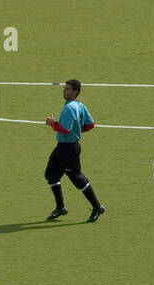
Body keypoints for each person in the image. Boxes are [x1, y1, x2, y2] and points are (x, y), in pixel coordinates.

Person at [43, 80, 105, 222]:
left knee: (77, 177)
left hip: (68, 148)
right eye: (64, 88)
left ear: (75, 92)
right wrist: (78, 130)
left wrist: (52, 123)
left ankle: (97, 207)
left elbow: (65, 129)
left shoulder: (69, 108)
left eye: (68, 89)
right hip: (63, 147)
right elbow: (90, 124)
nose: (64, 91)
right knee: (51, 174)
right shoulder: (80, 105)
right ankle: (60, 207)